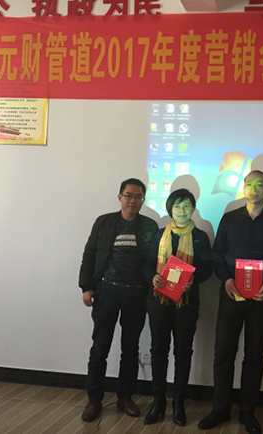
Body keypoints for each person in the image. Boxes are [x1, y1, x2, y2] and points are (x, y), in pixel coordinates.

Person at [198, 170, 263, 434]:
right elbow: (217, 254)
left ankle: (248, 411)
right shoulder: (229, 218)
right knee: (223, 353)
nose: (253, 188)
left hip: (262, 297)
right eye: (249, 183)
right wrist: (226, 279)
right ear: (243, 187)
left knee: (254, 355)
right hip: (231, 295)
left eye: (259, 184)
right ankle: (220, 408)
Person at [79, 178, 159, 422]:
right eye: (128, 195)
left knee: (130, 348)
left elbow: (155, 260)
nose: (132, 200)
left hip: (137, 295)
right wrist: (87, 287)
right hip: (107, 292)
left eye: (137, 197)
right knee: (99, 347)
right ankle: (94, 399)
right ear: (120, 197)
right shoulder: (104, 222)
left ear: (143, 200)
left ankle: (125, 397)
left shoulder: (149, 226)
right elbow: (90, 254)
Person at [143, 189, 212, 426]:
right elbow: (147, 264)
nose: (181, 211)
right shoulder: (160, 234)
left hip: (187, 304)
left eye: (186, 206)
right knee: (158, 351)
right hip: (158, 302)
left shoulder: (200, 237)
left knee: (183, 352)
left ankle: (178, 404)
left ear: (193, 208)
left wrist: (195, 279)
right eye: (177, 206)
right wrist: (152, 277)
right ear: (170, 210)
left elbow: (207, 269)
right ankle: (158, 402)